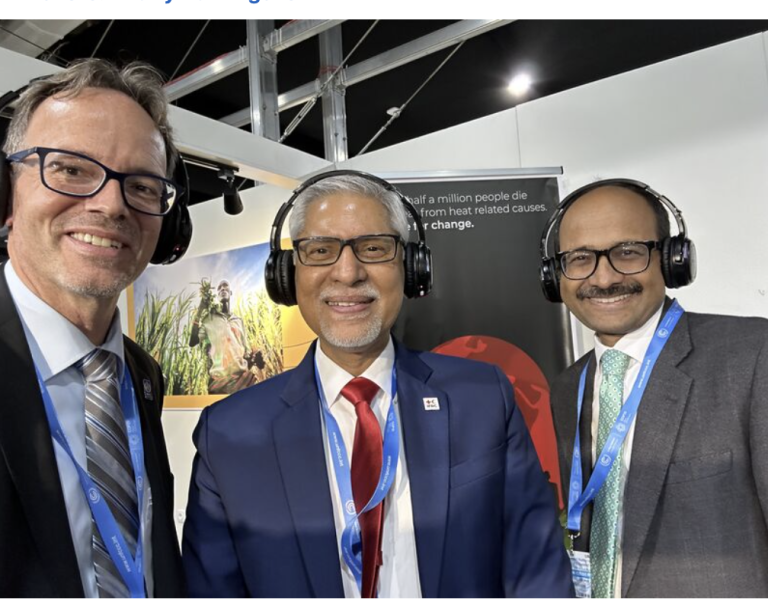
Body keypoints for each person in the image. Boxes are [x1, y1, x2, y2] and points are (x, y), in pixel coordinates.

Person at [183, 171, 573, 598]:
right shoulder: (230, 432)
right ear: (287, 274)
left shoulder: (482, 399)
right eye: (320, 250)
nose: (347, 273)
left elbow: (536, 569)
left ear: (410, 267)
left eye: (373, 248)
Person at [0, 60, 188, 597]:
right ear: (6, 193)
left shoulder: (140, 373)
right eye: (71, 169)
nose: (110, 205)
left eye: (144, 185)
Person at [543, 180, 768, 598]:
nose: (604, 277)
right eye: (580, 258)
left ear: (671, 259)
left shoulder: (753, 355)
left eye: (628, 252)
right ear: (554, 276)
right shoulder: (567, 388)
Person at [189, 279, 265, 393]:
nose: (222, 289)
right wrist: (200, 310)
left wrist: (256, 358)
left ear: (230, 292)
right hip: (220, 385)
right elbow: (192, 341)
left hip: (243, 382)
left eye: (225, 287)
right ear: (216, 295)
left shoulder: (238, 320)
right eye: (219, 288)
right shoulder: (208, 320)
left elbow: (245, 352)